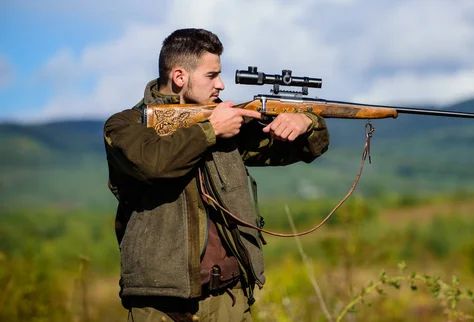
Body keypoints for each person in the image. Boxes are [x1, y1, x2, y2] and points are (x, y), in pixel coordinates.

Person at [103, 28, 330, 321]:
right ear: (180, 77)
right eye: (212, 76)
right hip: (161, 306)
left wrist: (305, 121)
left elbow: (298, 150)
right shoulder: (125, 125)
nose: (221, 85)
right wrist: (210, 131)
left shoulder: (225, 125)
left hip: (229, 300)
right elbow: (152, 164)